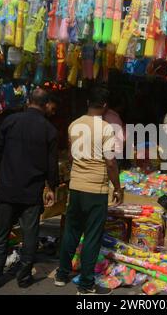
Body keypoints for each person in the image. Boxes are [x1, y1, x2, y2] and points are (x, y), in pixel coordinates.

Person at [54, 86, 123, 295]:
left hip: (76, 186)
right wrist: (118, 187)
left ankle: (61, 275)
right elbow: (110, 163)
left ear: (87, 103)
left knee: (71, 231)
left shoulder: (74, 125)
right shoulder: (106, 128)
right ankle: (85, 285)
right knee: (92, 236)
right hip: (96, 188)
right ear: (104, 106)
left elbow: (72, 156)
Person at [0, 88, 59, 289]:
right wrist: (52, 187)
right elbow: (51, 165)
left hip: (7, 188)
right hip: (31, 192)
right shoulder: (49, 130)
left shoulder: (10, 121)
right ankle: (24, 277)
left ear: (28, 101)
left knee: (1, 235)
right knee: (30, 236)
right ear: (46, 105)